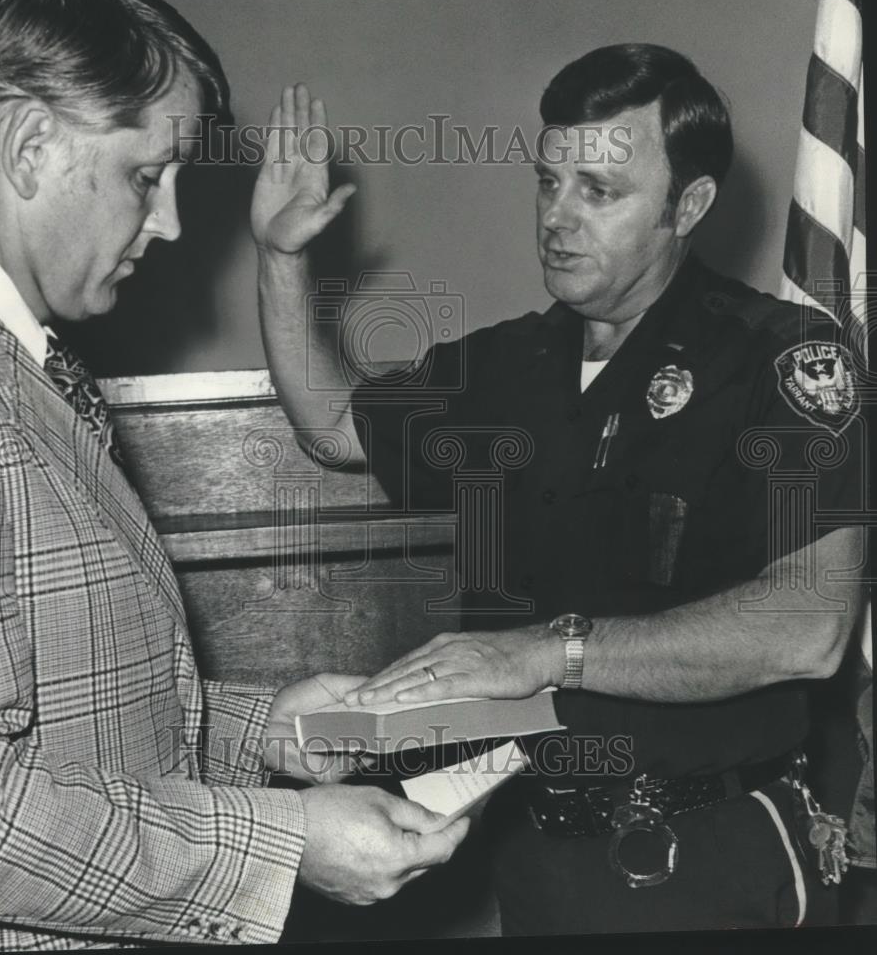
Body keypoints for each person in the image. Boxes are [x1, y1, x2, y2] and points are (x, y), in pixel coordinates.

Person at [0, 0, 469, 951]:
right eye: (146, 175)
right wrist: (277, 845)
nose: (169, 223)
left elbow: (60, 713)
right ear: (29, 145)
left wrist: (265, 730)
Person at [251, 45, 867, 933]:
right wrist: (280, 261)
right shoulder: (513, 364)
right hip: (538, 859)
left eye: (600, 192)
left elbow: (811, 629)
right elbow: (334, 426)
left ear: (687, 206)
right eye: (549, 182)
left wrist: (546, 651)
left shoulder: (779, 358)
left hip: (714, 859)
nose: (557, 216)